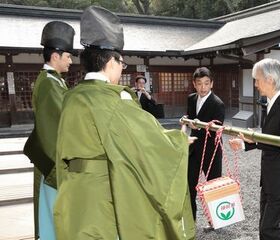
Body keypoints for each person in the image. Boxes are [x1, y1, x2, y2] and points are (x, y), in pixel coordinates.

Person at [54, 6, 195, 240]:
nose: (121, 69)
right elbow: (145, 143)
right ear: (111, 62)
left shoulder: (72, 97)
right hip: (102, 194)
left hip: (73, 191)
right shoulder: (113, 99)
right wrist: (179, 141)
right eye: (122, 64)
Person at [229, 58, 280, 240]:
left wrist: (253, 140)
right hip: (271, 178)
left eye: (257, 79)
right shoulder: (272, 103)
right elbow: (270, 136)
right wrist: (247, 141)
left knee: (268, 229)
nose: (255, 84)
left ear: (270, 79)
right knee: (265, 227)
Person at [23, 21, 75, 240]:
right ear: (56, 56)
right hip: (52, 161)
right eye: (68, 56)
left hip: (52, 158)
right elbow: (53, 128)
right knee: (54, 216)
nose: (71, 61)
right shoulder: (48, 84)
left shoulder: (55, 81)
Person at [183, 67, 225, 221]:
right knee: (189, 185)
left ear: (211, 84)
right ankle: (190, 220)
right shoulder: (191, 98)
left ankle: (214, 220)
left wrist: (198, 125)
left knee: (212, 186)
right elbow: (189, 116)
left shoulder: (218, 103)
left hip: (211, 150)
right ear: (194, 84)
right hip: (193, 147)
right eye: (199, 83)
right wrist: (187, 121)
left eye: (206, 83)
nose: (203, 87)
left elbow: (217, 128)